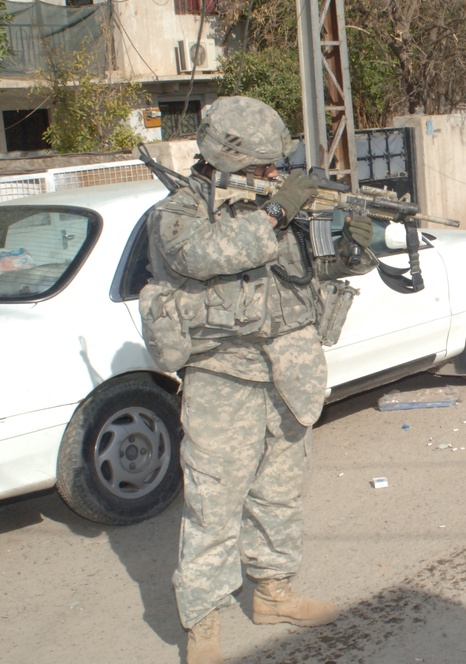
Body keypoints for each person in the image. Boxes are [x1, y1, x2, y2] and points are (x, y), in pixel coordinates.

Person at [141, 96, 372, 664]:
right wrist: (275, 212)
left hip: (289, 370)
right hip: (223, 375)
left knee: (280, 494)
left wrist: (355, 248)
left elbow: (313, 270)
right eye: (261, 170)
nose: (273, 176)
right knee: (214, 503)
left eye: (276, 167)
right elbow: (202, 255)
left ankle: (272, 593)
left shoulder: (278, 204)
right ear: (222, 161)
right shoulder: (179, 212)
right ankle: (203, 625)